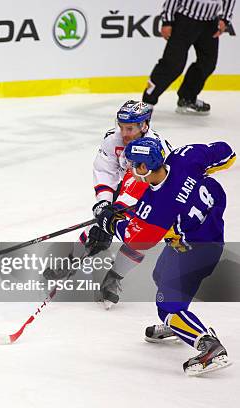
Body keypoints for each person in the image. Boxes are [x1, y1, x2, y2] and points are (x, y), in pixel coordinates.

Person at [94, 137, 236, 375]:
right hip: (207, 233)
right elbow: (225, 152)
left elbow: (137, 238)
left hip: (194, 252)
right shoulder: (184, 157)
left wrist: (109, 223)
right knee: (160, 274)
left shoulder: (158, 208)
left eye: (134, 165)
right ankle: (180, 325)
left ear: (144, 167)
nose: (131, 170)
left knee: (166, 305)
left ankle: (209, 346)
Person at [44, 100, 172, 308]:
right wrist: (104, 205)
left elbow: (141, 183)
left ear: (144, 126)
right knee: (98, 224)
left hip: (157, 196)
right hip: (128, 188)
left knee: (137, 237)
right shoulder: (113, 139)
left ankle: (114, 279)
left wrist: (115, 212)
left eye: (129, 128)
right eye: (121, 127)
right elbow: (105, 170)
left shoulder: (154, 148)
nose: (124, 132)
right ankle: (71, 261)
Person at [142, 0, 236, 115]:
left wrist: (225, 19)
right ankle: (147, 102)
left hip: (210, 23)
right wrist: (167, 21)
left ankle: (187, 98)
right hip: (185, 20)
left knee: (207, 63)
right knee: (173, 64)